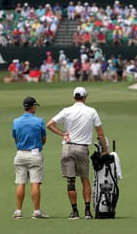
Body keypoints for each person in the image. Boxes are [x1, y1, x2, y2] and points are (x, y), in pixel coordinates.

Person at [46, 86, 109, 220]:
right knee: (85, 179)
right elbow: (100, 132)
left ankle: (74, 212)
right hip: (82, 148)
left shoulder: (67, 111)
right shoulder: (91, 111)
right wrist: (105, 149)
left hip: (67, 148)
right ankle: (87, 211)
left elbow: (50, 124)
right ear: (85, 97)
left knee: (71, 180)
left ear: (74, 97)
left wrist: (63, 134)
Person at [12, 96, 49, 219]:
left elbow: (15, 138)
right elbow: (43, 139)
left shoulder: (16, 121)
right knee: (35, 183)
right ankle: (36, 211)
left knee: (20, 183)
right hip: (34, 153)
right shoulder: (39, 121)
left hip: (20, 153)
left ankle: (18, 211)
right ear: (33, 106)